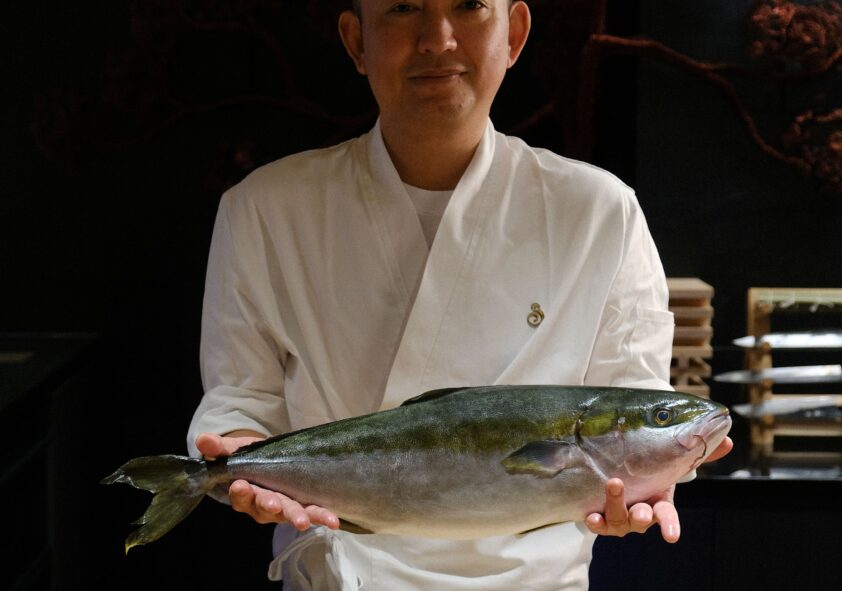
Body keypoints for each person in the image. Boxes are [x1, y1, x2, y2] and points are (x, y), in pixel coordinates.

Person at [188, 0, 733, 588]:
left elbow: (633, 402)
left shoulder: (602, 211)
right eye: (403, 7)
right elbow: (240, 398)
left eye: (470, 5)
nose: (438, 38)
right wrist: (238, 452)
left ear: (514, 33)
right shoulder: (263, 209)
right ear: (356, 41)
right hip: (341, 573)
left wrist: (651, 481)